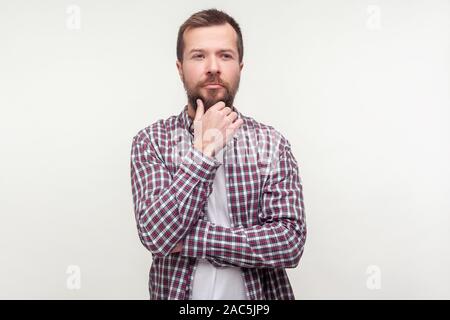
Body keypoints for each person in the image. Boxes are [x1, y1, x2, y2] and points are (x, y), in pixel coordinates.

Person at [130, 8, 307, 300]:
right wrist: (204, 151)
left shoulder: (271, 144)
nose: (213, 67)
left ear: (240, 66)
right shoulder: (151, 141)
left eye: (225, 55)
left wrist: (189, 240)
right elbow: (155, 236)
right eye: (199, 56)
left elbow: (289, 243)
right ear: (179, 67)